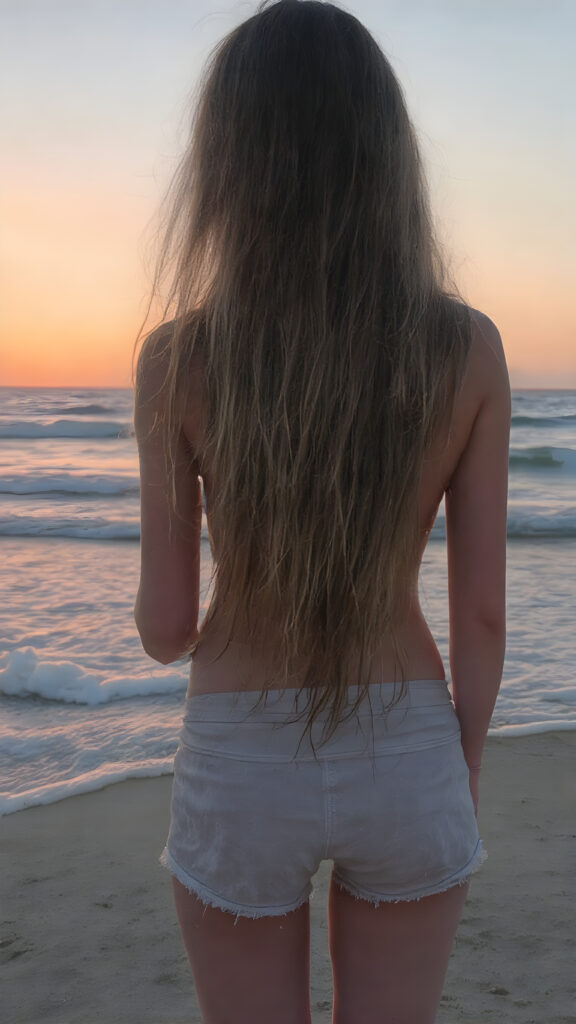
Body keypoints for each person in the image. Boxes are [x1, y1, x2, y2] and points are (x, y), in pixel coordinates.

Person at [133, 2, 510, 1021]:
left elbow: (167, 630)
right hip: (408, 742)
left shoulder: (180, 360)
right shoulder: (465, 349)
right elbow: (479, 615)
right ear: (387, 155)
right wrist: (458, 763)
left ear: (228, 165)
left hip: (239, 753)